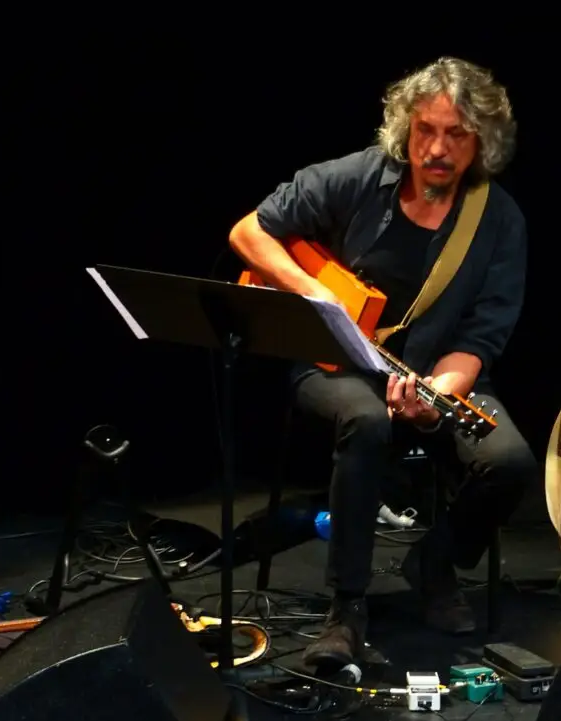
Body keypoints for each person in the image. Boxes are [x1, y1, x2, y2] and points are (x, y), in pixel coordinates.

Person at [228, 56, 536, 670]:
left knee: (509, 462)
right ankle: (347, 607)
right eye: (426, 130)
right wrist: (312, 292)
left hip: (437, 375)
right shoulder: (358, 177)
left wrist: (437, 397)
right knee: (367, 422)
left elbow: (482, 336)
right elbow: (248, 232)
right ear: (406, 126)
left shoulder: (500, 220)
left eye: (456, 135)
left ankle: (434, 564)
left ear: (483, 140)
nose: (437, 149)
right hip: (335, 368)